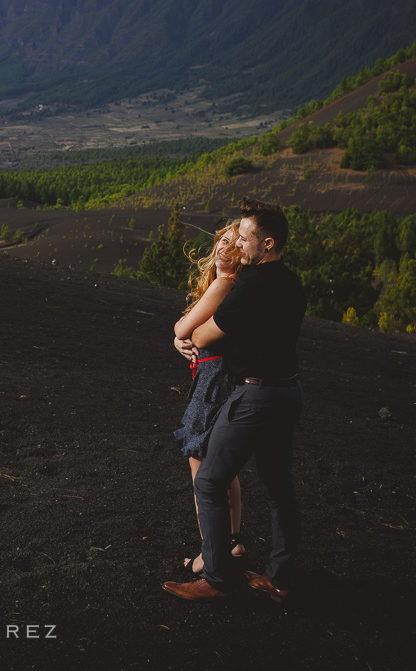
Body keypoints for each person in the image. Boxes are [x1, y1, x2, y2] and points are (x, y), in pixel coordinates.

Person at [163, 196, 307, 602]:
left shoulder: (250, 286)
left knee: (209, 481)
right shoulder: (292, 283)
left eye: (246, 237)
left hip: (255, 395)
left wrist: (185, 335)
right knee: (280, 488)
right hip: (288, 392)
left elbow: (203, 336)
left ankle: (216, 579)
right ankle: (280, 578)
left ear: (268, 243)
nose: (239, 244)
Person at [171, 220, 246, 575]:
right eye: (223, 240)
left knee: (200, 463)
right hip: (221, 376)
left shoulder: (224, 284)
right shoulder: (233, 285)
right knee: (220, 466)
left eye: (234, 244)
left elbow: (183, 328)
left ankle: (210, 551)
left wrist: (178, 335)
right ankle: (231, 542)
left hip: (214, 380)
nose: (224, 248)